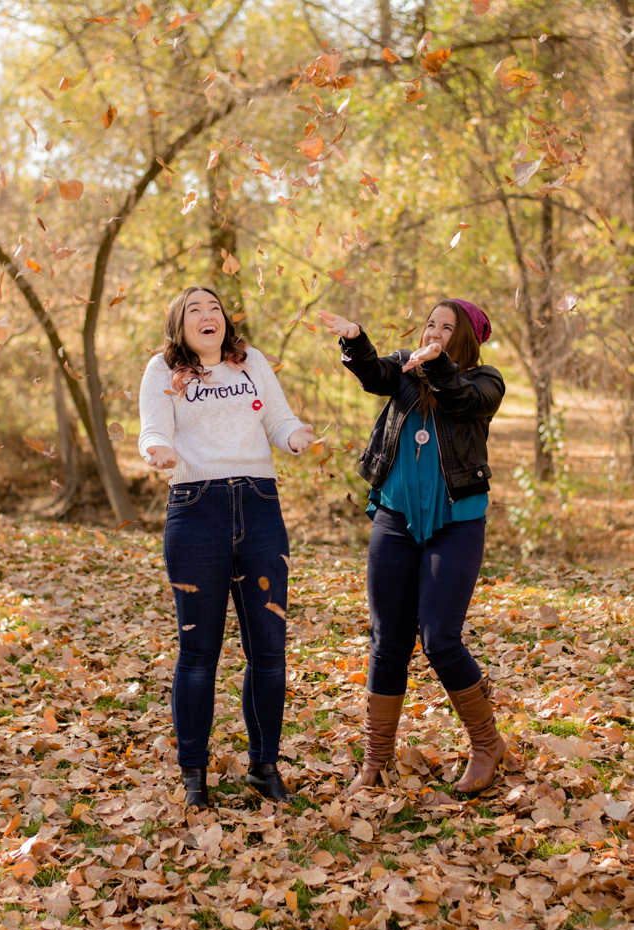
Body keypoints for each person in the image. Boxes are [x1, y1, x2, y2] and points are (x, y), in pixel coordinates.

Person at [319, 300, 506, 794]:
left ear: (466, 339)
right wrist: (355, 339)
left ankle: (487, 744)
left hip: (456, 523)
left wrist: (437, 362)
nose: (434, 332)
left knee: (440, 637)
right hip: (396, 519)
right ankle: (375, 761)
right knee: (388, 641)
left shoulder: (486, 381)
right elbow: (374, 374)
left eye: (447, 328)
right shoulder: (405, 369)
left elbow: (461, 399)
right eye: (430, 324)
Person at [139, 286, 314, 806]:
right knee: (198, 653)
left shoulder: (250, 361)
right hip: (196, 511)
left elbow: (278, 419)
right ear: (179, 325)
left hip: (259, 507)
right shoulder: (162, 370)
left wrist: (294, 436)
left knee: (269, 649)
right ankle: (194, 775)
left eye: (213, 307)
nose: (207, 314)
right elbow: (152, 430)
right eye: (194, 309)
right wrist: (158, 450)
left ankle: (264, 768)